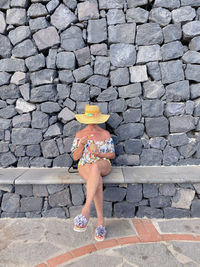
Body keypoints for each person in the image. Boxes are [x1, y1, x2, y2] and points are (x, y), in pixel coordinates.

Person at [71, 104, 115, 241]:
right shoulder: (80, 135)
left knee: (96, 167)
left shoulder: (105, 134)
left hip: (102, 163)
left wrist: (98, 152)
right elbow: (75, 157)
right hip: (84, 164)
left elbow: (112, 154)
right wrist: (82, 144)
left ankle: (86, 210)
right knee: (97, 179)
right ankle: (100, 221)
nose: (91, 123)